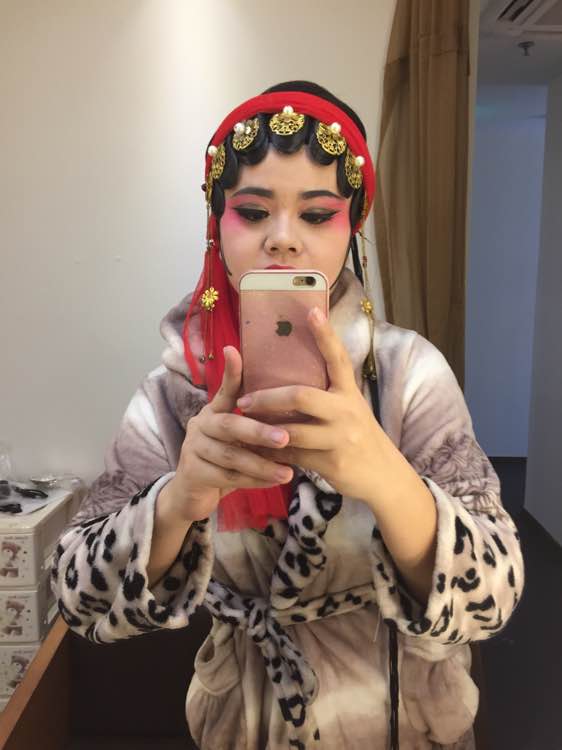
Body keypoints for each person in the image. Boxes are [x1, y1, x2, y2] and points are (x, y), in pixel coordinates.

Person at [51, 81, 525, 750]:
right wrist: (177, 501)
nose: (282, 240)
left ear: (352, 227)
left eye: (317, 214)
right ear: (217, 223)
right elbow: (78, 603)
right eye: (252, 211)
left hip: (403, 720)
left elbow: (494, 598)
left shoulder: (409, 375)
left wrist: (389, 481)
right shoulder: (175, 393)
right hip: (246, 720)